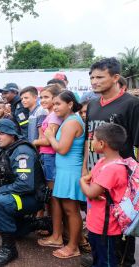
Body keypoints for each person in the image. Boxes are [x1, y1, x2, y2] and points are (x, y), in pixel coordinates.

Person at [82, 57, 139, 267]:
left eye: (99, 77)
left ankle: (124, 261)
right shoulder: (93, 105)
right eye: (91, 77)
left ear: (116, 78)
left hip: (120, 182)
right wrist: (85, 168)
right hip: (96, 176)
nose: (94, 81)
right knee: (99, 223)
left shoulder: (132, 105)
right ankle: (103, 257)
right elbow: (90, 139)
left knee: (122, 225)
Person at [0, 118, 49, 266]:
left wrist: (0, 190)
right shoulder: (5, 149)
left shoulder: (21, 151)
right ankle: (38, 223)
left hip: (31, 197)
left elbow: (25, 185)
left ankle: (9, 249)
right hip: (19, 195)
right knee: (15, 232)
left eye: (2, 133)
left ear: (12, 134)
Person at [39, 91, 85, 259]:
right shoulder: (69, 120)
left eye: (58, 104)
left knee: (71, 210)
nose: (55, 107)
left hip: (70, 170)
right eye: (55, 104)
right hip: (65, 169)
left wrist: (50, 136)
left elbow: (62, 149)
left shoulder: (71, 122)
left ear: (70, 104)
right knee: (68, 209)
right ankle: (69, 242)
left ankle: (73, 247)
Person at [80, 123, 128, 267]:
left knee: (106, 260)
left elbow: (90, 190)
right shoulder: (102, 161)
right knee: (97, 256)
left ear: (102, 143)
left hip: (106, 228)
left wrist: (81, 181)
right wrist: (89, 184)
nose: (91, 142)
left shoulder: (113, 169)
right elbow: (92, 181)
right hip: (97, 223)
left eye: (93, 139)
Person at [32, 84, 62, 218]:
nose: (42, 100)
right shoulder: (49, 115)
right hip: (46, 156)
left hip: (50, 156)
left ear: (55, 98)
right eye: (41, 97)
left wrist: (32, 142)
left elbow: (48, 141)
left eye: (46, 97)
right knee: (47, 193)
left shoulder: (54, 116)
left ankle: (54, 228)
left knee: (51, 193)